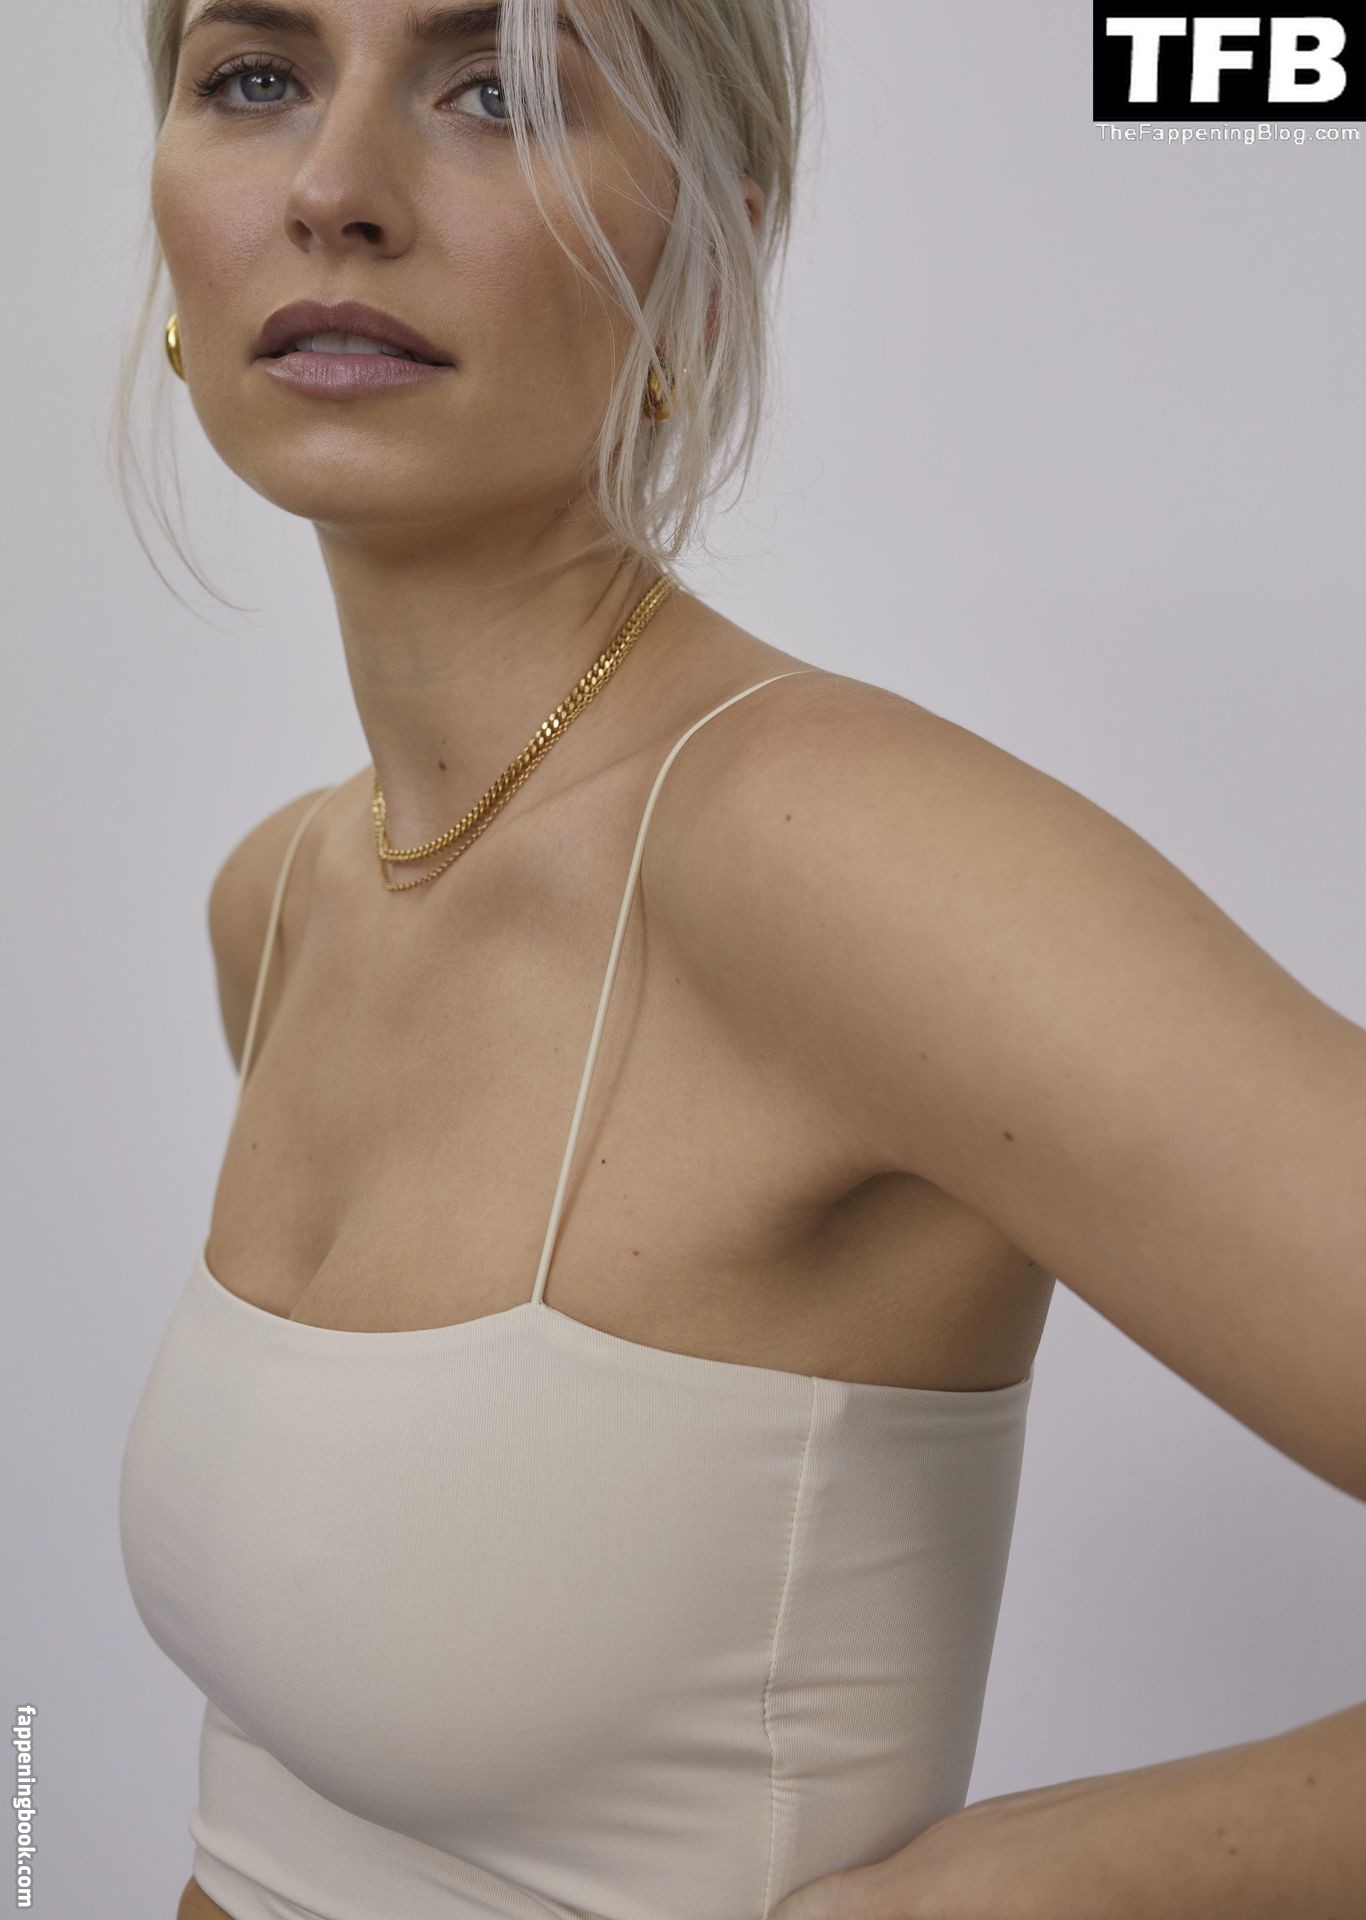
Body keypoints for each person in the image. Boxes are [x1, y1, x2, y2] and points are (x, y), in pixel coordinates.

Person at [115, 3, 1366, 1919]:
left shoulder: (834, 859)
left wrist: (1010, 1895)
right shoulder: (282, 900)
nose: (334, 188)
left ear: (707, 251)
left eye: (500, 92)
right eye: (256, 77)